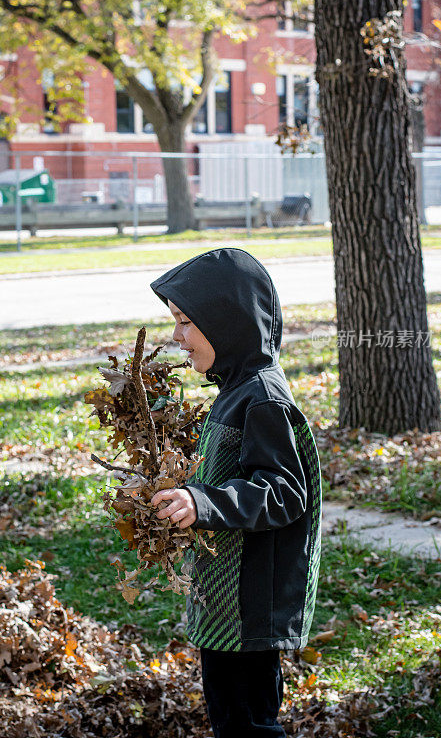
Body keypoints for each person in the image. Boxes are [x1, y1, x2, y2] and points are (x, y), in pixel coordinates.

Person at [149, 248, 322, 738]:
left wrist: (203, 502)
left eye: (185, 322)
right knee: (231, 719)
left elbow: (285, 491)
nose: (176, 336)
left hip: (249, 602)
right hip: (225, 600)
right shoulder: (235, 388)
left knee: (248, 724)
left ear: (228, 321)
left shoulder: (264, 397)